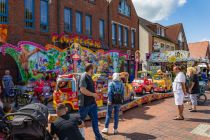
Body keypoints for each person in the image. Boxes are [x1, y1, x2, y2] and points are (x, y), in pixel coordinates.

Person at [79, 63, 103, 140]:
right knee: (80, 122)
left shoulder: (89, 77)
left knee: (95, 121)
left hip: (92, 103)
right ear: (90, 69)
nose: (94, 70)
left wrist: (96, 93)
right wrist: (93, 94)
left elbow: (89, 89)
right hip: (85, 104)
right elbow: (82, 90)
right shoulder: (84, 76)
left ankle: (98, 137)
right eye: (93, 69)